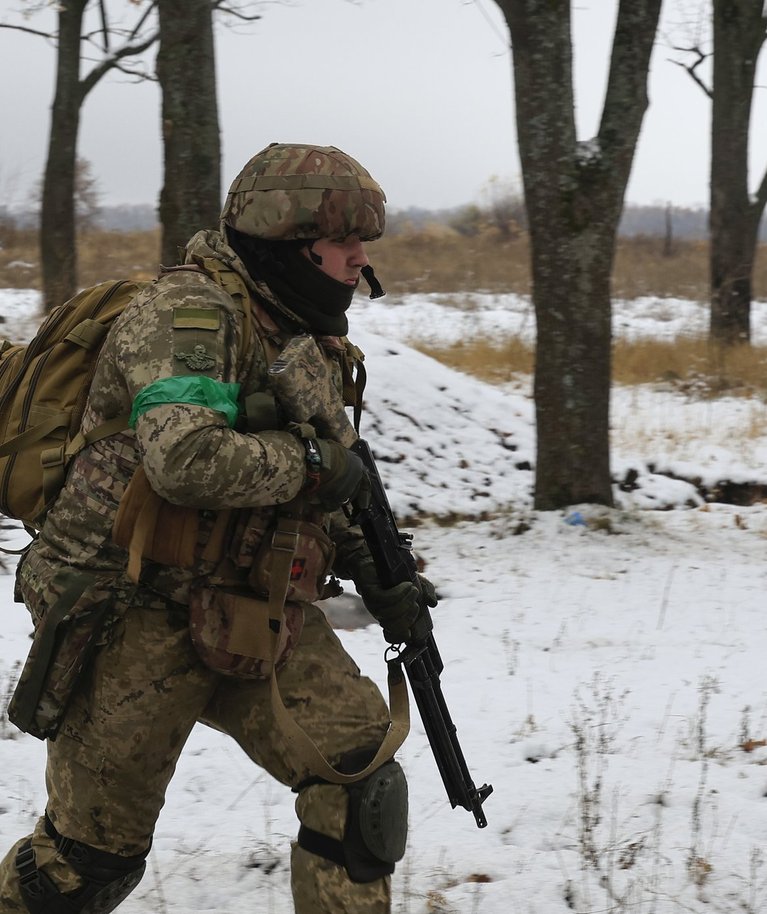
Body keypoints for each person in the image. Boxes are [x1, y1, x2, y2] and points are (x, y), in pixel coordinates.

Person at [0, 142, 437, 914]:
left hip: (256, 608)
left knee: (361, 785)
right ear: (287, 241)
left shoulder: (309, 335)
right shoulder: (188, 317)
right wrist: (308, 462)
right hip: (132, 615)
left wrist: (381, 572)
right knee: (82, 869)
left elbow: (329, 489)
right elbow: (185, 459)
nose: (358, 259)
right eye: (343, 243)